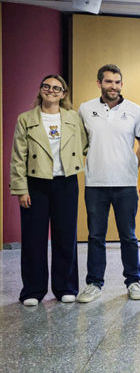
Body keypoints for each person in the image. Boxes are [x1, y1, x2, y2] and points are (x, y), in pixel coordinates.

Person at [10, 75, 87, 306]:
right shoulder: (26, 119)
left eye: (56, 88)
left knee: (66, 236)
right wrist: (21, 189)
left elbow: (83, 144)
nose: (51, 90)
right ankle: (33, 290)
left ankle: (66, 287)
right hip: (36, 183)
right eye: (46, 86)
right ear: (40, 89)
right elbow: (18, 157)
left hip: (66, 182)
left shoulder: (73, 118)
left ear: (64, 93)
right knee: (33, 238)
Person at [77, 64, 140, 303]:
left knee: (128, 235)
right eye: (108, 81)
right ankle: (94, 283)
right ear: (99, 83)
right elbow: (80, 143)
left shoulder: (135, 111)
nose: (113, 86)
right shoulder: (85, 109)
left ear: (121, 84)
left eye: (117, 82)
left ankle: (134, 281)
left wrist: (132, 166)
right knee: (96, 236)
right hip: (95, 183)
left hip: (125, 184)